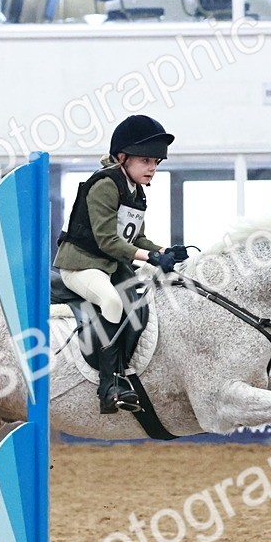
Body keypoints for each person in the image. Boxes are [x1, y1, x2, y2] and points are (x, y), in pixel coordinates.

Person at [54, 115, 189, 414]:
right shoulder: (104, 184)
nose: (153, 168)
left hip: (110, 267)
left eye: (156, 162)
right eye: (146, 161)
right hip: (81, 265)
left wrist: (165, 250)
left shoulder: (136, 191)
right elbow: (107, 242)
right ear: (123, 158)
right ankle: (108, 385)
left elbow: (136, 238)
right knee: (112, 302)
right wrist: (152, 258)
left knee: (145, 299)